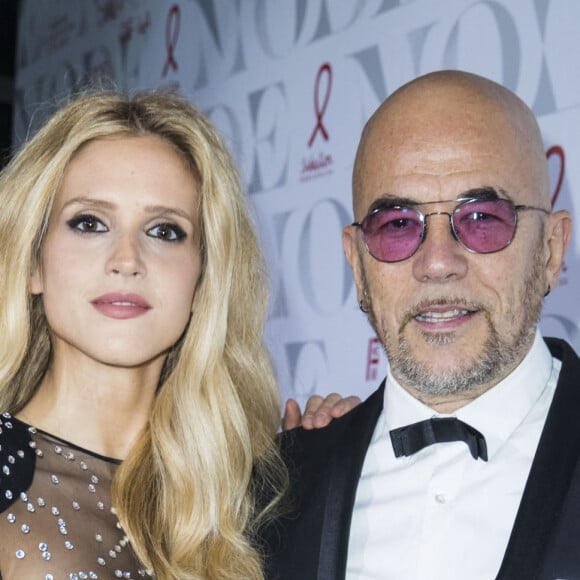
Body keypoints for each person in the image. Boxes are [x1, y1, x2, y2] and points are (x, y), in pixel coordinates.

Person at [0, 89, 357, 579]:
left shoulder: (243, 505)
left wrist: (328, 475)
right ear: (33, 263)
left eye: (164, 231)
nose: (126, 260)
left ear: (203, 279)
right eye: (89, 223)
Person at [261, 70, 580, 580]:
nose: (436, 263)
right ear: (356, 264)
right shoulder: (277, 490)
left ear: (551, 250)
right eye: (397, 226)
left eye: (481, 219)